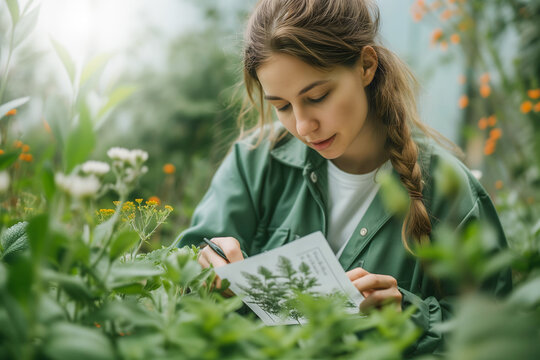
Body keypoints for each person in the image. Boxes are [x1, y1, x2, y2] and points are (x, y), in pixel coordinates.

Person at [177, 0, 511, 356]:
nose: (303, 126)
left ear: (366, 66)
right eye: (283, 107)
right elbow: (179, 273)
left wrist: (410, 317)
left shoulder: (450, 192)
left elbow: (499, 337)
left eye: (317, 97)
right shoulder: (255, 162)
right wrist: (201, 264)